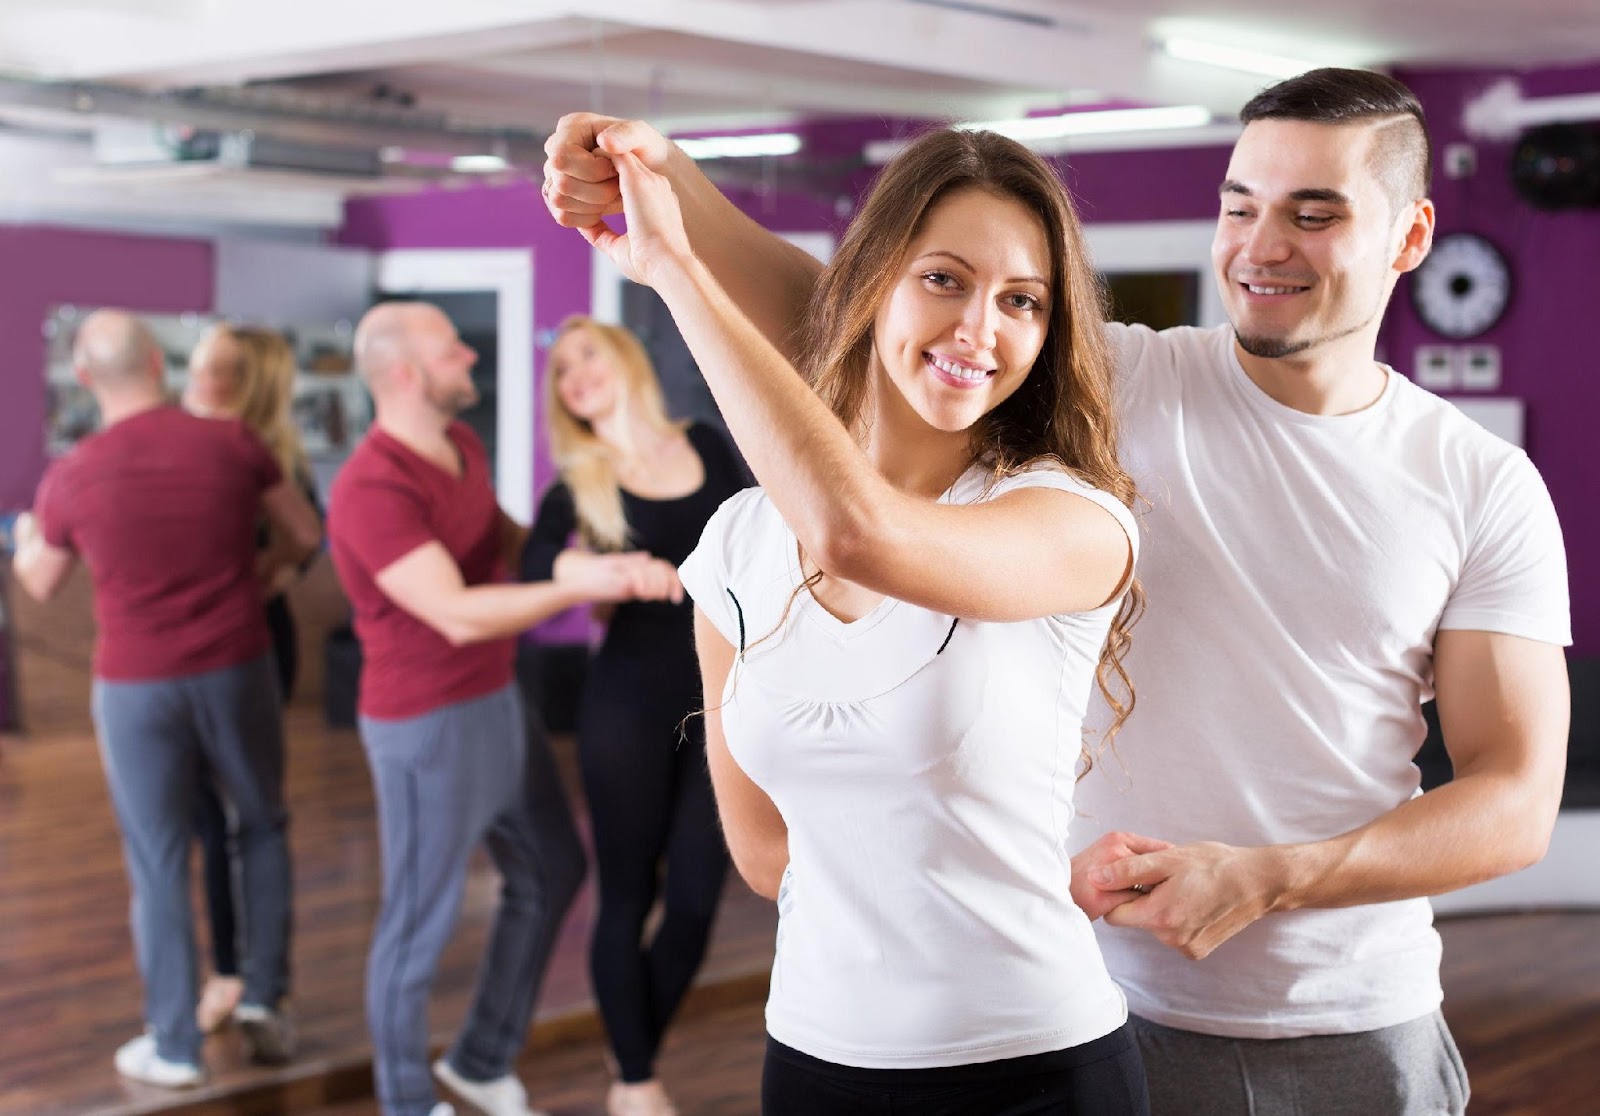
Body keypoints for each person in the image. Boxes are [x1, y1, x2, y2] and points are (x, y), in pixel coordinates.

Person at [542, 66, 1572, 1116]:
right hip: (1095, 992)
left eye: (1314, 215)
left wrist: (1274, 875)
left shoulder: (1477, 484)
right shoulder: (1122, 381)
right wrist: (670, 185)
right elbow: (855, 322)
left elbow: (1513, 803)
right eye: (1239, 206)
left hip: (1346, 1021)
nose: (1262, 246)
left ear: (1408, 236)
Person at [563, 125, 1151, 1113]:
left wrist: (675, 271)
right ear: (873, 281)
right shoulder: (736, 548)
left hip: (1034, 1072)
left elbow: (857, 534)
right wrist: (660, 176)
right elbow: (763, 855)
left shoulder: (1073, 522)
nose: (979, 329)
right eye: (943, 280)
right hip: (813, 1060)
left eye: (1021, 302)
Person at [327, 300, 685, 1116]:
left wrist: (595, 556)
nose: (471, 359)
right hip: (424, 724)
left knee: (554, 866)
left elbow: (509, 541)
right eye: (454, 350)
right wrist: (571, 583)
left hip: (495, 698)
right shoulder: (370, 487)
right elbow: (453, 610)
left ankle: (484, 1059)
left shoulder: (458, 445)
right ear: (408, 374)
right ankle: (407, 1104)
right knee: (416, 926)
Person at [10, 310, 320, 1086]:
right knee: (263, 827)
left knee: (157, 859)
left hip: (136, 686)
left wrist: (22, 541)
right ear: (157, 361)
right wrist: (260, 577)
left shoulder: (72, 474)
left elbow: (42, 584)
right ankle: (266, 1000)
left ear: (85, 378)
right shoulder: (234, 444)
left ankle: (176, 1046)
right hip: (237, 666)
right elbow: (305, 534)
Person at [523, 317, 747, 1116]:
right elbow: (536, 560)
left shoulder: (708, 444)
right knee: (626, 893)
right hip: (627, 698)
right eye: (562, 371)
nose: (574, 374)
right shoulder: (580, 481)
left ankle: (633, 1053)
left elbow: (763, 530)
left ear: (625, 360)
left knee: (695, 891)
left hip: (724, 694)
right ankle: (635, 1078)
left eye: (586, 355)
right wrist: (612, 568)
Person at [183, 322, 324, 1034]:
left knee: (253, 818)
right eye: (196, 364)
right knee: (210, 820)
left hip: (253, 647)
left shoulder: (271, 459)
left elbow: (306, 540)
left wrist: (257, 583)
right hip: (191, 658)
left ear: (246, 384)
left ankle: (261, 982)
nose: (194, 378)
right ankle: (233, 972)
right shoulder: (180, 447)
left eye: (211, 368)